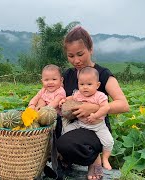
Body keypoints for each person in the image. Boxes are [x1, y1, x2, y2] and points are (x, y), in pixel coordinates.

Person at [54, 26, 130, 180]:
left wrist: (93, 107)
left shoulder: (102, 74)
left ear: (91, 49)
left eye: (80, 54)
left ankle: (93, 159)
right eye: (71, 56)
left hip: (93, 127)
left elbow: (123, 105)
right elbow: (54, 94)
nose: (76, 60)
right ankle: (66, 156)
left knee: (65, 145)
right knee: (48, 142)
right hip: (71, 125)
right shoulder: (67, 75)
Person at [60, 66, 113, 170]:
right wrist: (65, 99)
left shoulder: (100, 96)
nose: (85, 87)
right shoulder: (78, 94)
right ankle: (66, 156)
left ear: (97, 85)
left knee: (109, 141)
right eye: (82, 84)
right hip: (81, 124)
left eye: (89, 84)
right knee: (66, 131)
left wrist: (96, 115)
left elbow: (106, 107)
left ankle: (105, 158)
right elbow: (72, 97)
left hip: (98, 126)